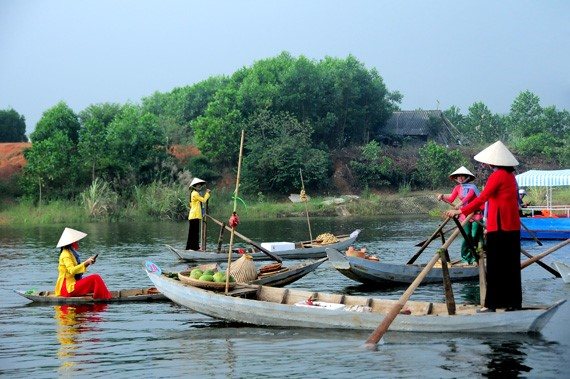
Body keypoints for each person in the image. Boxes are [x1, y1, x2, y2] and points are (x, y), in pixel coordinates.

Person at [445, 141, 522, 312]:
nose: (485, 165)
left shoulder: (498, 176)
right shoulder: (510, 176)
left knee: (495, 268)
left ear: (492, 162)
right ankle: (512, 303)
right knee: (510, 267)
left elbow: (482, 198)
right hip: (511, 227)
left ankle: (493, 305)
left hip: (500, 227)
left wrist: (460, 211)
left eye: (487, 162)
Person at [437, 166, 482, 265]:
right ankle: (465, 258)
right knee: (466, 236)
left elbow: (468, 198)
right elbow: (451, 199)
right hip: (464, 215)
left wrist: (459, 205)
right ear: (456, 178)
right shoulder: (457, 188)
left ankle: (475, 258)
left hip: (476, 215)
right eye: (459, 177)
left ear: (467, 177)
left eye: (463, 176)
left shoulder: (473, 187)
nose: (460, 178)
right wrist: (442, 197)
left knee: (474, 236)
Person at [54, 227, 111, 299]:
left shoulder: (71, 252)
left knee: (95, 284)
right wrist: (86, 263)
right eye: (75, 240)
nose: (76, 242)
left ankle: (101, 296)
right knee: (96, 278)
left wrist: (88, 263)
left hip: (71, 284)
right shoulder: (65, 255)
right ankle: (104, 298)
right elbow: (72, 270)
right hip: (68, 288)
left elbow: (77, 269)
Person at [186, 177, 211, 250]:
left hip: (194, 215)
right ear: (195, 186)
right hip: (194, 215)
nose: (199, 186)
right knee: (193, 233)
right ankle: (193, 247)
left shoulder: (194, 193)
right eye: (198, 185)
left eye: (200, 185)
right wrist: (207, 193)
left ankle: (193, 247)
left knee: (194, 233)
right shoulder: (195, 193)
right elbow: (203, 200)